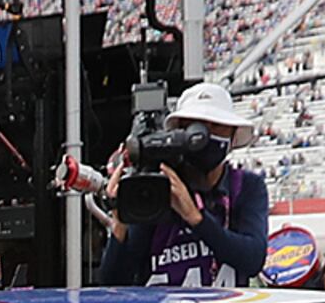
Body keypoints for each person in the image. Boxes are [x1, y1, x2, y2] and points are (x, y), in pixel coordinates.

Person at [63, 84, 273, 288]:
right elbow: (114, 282)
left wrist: (196, 218)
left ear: (233, 134)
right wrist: (121, 220)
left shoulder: (246, 186)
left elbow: (253, 259)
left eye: (216, 126)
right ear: (179, 131)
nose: (205, 135)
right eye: (196, 126)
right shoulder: (158, 186)